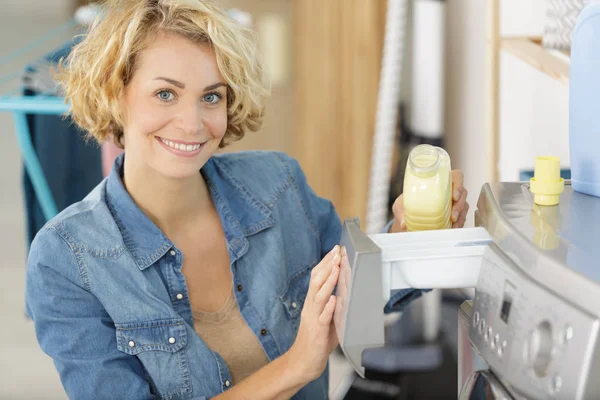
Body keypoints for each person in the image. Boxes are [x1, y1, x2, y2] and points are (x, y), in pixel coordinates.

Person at [24, 1, 469, 399]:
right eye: (165, 94)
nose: (193, 123)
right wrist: (297, 367)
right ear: (114, 95)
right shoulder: (67, 259)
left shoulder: (276, 184)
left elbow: (356, 290)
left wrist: (408, 237)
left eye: (211, 96)